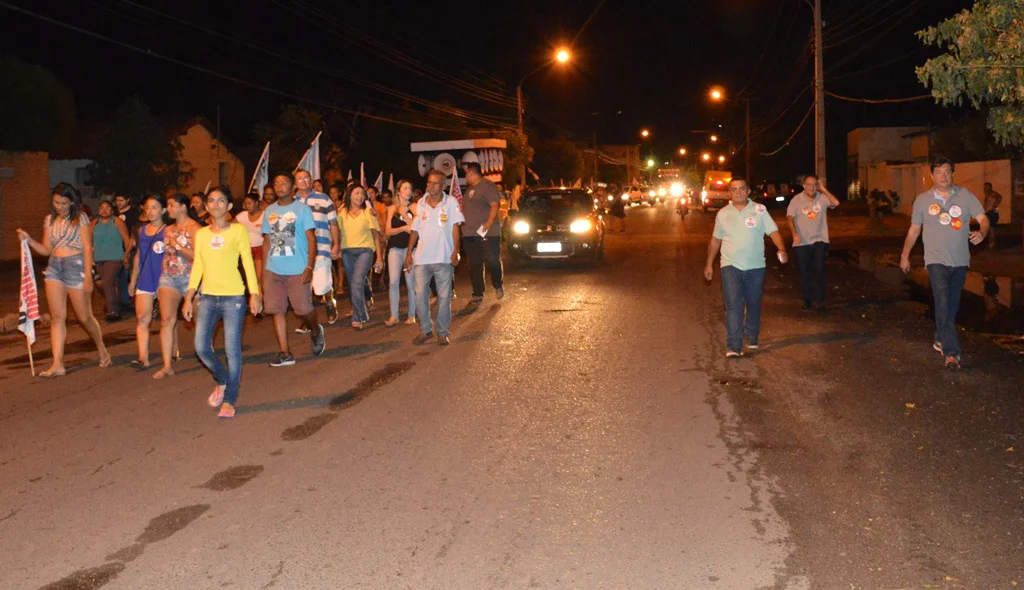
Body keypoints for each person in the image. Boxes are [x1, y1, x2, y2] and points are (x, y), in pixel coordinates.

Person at [900, 156, 989, 370]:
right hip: (935, 260)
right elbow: (914, 230)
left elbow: (983, 218)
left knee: (952, 304)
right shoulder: (922, 200)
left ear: (952, 174)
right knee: (942, 300)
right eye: (939, 172)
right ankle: (952, 353)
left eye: (947, 171)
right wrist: (905, 254)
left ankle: (940, 336)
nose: (943, 176)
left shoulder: (965, 195)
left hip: (959, 260)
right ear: (931, 175)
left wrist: (982, 232)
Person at [16, 183, 111, 376]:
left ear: (72, 202)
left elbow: (86, 247)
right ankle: (57, 363)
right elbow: (46, 249)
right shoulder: (50, 220)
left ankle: (101, 347)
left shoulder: (81, 219)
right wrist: (28, 240)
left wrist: (88, 277)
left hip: (76, 266)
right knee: (57, 318)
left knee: (84, 317)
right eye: (57, 202)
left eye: (64, 203)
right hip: (55, 268)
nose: (60, 206)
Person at [183, 187, 262, 419]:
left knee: (232, 351)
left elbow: (247, 262)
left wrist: (254, 293)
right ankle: (223, 380)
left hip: (234, 298)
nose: (215, 204)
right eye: (211, 200)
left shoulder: (238, 231)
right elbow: (198, 265)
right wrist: (189, 296)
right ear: (206, 206)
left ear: (229, 207)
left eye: (221, 200)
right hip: (207, 297)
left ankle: (229, 399)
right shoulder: (202, 234)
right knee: (201, 348)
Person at [703, 177, 788, 358]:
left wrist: (781, 248)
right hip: (730, 266)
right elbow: (716, 240)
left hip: (756, 266)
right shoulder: (723, 214)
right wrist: (709, 264)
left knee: (753, 302)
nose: (738, 192)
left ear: (748, 191)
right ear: (729, 193)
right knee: (733, 305)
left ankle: (752, 334)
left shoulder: (759, 210)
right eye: (734, 189)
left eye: (742, 188)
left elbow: (773, 231)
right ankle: (733, 345)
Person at [261, 174, 326, 366]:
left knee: (303, 309)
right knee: (277, 310)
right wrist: (264, 271)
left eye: (285, 183)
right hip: (274, 269)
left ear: (292, 187)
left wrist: (310, 265)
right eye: (277, 183)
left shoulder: (302, 209)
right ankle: (285, 353)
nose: (280, 186)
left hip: (298, 268)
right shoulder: (269, 211)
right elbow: (267, 242)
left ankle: (315, 329)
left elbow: (311, 238)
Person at [404, 169, 464, 346]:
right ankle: (425, 330)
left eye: (435, 183)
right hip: (422, 259)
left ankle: (443, 332)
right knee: (420, 295)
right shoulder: (421, 203)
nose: (431, 186)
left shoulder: (450, 202)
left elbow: (455, 228)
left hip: (444, 258)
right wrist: (409, 254)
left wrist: (455, 251)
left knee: (444, 297)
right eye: (429, 182)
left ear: (443, 185)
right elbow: (415, 230)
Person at [153, 194, 201, 379]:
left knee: (199, 320)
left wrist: (177, 246)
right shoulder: (168, 229)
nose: (169, 209)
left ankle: (206, 354)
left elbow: (198, 256)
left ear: (183, 207)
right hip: (169, 278)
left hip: (191, 279)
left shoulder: (195, 228)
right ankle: (167, 365)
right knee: (166, 320)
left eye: (172, 205)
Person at [786, 174, 840, 310]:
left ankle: (819, 297)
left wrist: (824, 189)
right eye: (809, 184)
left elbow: (836, 203)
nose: (812, 187)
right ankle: (807, 299)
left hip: (819, 240)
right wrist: (794, 234)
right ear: (804, 186)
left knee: (818, 268)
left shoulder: (822, 198)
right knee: (805, 271)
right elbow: (789, 218)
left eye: (814, 184)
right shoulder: (796, 200)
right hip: (801, 242)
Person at [294, 169, 340, 325]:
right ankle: (308, 319)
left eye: (306, 178)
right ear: (295, 182)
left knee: (321, 285)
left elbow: (333, 224)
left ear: (311, 180)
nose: (303, 181)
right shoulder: (292, 202)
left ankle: (329, 302)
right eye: (299, 179)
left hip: (321, 248)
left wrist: (336, 245)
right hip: (300, 252)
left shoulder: (324, 199)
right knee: (303, 285)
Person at [129, 195, 168, 368]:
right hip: (146, 278)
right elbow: (138, 255)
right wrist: (133, 280)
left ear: (163, 210)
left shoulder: (170, 230)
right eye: (147, 208)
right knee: (142, 318)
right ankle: (143, 357)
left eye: (154, 207)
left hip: (166, 279)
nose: (150, 211)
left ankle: (172, 351)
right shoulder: (141, 230)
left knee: (167, 318)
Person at [338, 185, 383, 329]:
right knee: (353, 284)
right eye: (356, 193)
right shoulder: (341, 213)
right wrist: (336, 248)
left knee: (357, 282)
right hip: (346, 252)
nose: (360, 196)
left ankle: (357, 316)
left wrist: (379, 258)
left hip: (365, 250)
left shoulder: (367, 212)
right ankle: (362, 312)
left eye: (362, 194)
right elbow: (336, 233)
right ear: (349, 195)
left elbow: (376, 236)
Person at [460, 162, 504, 303]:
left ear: (471, 173)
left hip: (487, 232)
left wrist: (489, 223)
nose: (466, 177)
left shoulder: (487, 186)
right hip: (469, 234)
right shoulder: (468, 191)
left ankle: (497, 284)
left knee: (492, 260)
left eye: (466, 173)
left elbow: (495, 205)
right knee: (474, 264)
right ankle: (478, 292)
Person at [91, 199, 131, 322]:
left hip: (115, 257)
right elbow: (88, 241)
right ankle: (117, 305)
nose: (104, 210)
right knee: (110, 284)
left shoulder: (117, 221)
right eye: (101, 208)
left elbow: (127, 240)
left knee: (107, 282)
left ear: (112, 210)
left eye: (107, 207)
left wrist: (126, 255)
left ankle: (112, 311)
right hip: (98, 258)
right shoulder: (94, 223)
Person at [384, 180, 418, 327]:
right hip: (395, 249)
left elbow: (415, 229)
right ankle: (394, 316)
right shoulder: (392, 208)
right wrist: (402, 228)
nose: (408, 191)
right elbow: (387, 231)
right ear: (398, 191)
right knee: (393, 282)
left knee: (411, 282)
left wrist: (405, 216)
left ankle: (411, 315)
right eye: (405, 188)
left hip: (410, 249)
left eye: (410, 188)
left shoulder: (415, 207)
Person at [235, 193, 265, 289]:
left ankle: (259, 298)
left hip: (260, 249)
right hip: (246, 250)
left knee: (259, 277)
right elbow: (230, 226)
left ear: (256, 203)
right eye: (245, 203)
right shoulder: (242, 215)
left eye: (250, 203)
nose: (247, 205)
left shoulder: (265, 215)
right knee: (247, 275)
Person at [114, 194, 138, 312]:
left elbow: (133, 233)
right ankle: (121, 300)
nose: (119, 202)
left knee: (128, 274)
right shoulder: (113, 213)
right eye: (117, 200)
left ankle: (129, 300)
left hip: (129, 248)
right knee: (118, 276)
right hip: (115, 247)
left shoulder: (133, 214)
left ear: (127, 200)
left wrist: (128, 251)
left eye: (121, 200)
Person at [982, 182, 1002, 250]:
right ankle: (990, 243)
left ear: (990, 187)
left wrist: (995, 206)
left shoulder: (992, 193)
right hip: (988, 213)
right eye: (984, 187)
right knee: (988, 228)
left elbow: (999, 197)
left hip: (991, 213)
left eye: (987, 187)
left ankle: (992, 243)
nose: (985, 188)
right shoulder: (987, 194)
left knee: (991, 228)